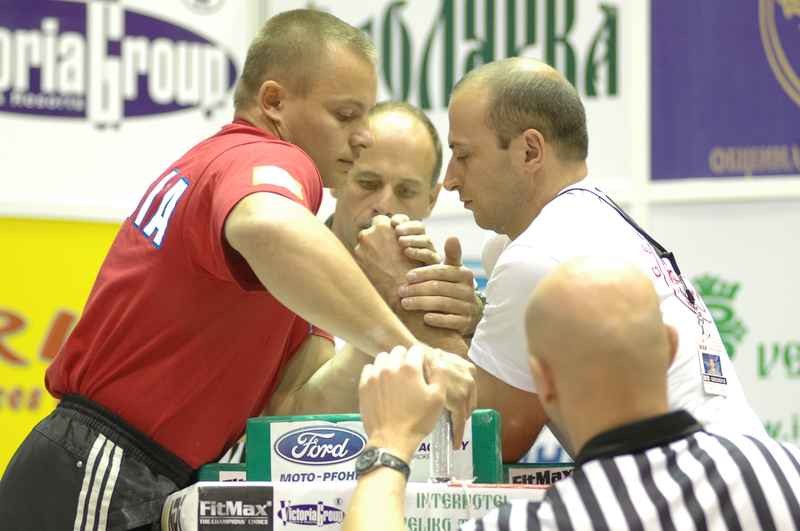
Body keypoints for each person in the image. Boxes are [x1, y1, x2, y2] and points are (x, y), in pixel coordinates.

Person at [0, 10, 476, 530]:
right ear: (274, 103)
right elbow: (269, 224)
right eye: (345, 116)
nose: (362, 136)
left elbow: (291, 413)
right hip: (105, 466)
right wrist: (409, 347)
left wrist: (391, 310)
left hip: (132, 473)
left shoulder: (284, 260)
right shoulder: (264, 157)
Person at [398, 57, 766, 461]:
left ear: (530, 151)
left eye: (464, 155)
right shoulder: (590, 220)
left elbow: (493, 440)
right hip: (736, 481)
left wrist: (410, 303)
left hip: (690, 498)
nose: (449, 179)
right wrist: (474, 323)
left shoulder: (539, 253)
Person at [344, 258, 800, 531]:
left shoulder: (533, 523)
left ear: (542, 383)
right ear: (669, 347)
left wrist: (388, 443)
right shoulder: (782, 470)